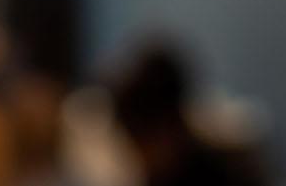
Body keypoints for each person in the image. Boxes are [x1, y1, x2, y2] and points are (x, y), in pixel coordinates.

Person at [106, 42, 269, 186]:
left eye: (138, 141)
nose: (136, 155)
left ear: (166, 128)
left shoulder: (224, 174)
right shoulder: (162, 174)